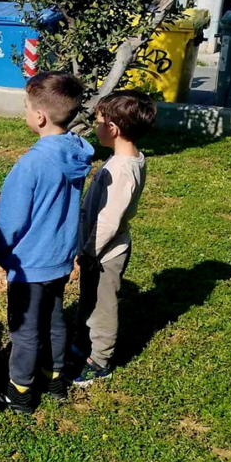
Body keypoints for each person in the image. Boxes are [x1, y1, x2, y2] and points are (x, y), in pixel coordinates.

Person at [0, 72, 94, 414]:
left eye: (25, 106)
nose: (25, 111)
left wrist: (2, 252)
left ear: (39, 116)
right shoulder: (77, 153)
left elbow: (12, 220)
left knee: (25, 331)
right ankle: (54, 380)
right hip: (61, 260)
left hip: (30, 265)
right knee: (54, 321)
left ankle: (19, 393)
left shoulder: (31, 165)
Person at [71, 91, 156, 386]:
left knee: (103, 306)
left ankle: (99, 360)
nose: (96, 126)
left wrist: (90, 251)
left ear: (113, 129)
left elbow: (109, 219)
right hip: (99, 248)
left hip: (106, 251)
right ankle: (82, 343)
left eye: (98, 121)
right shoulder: (125, 159)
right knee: (89, 299)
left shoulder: (122, 170)